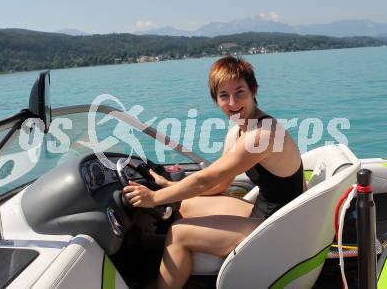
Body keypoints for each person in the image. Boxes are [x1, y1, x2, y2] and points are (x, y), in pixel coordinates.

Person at [123, 56, 305, 289]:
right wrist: (169, 188)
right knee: (182, 205)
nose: (232, 102)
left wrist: (154, 198)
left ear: (253, 90)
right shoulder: (239, 132)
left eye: (240, 92)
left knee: (179, 233)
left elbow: (206, 179)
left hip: (279, 229)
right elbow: (219, 184)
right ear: (215, 99)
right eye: (223, 96)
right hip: (266, 212)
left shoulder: (262, 135)